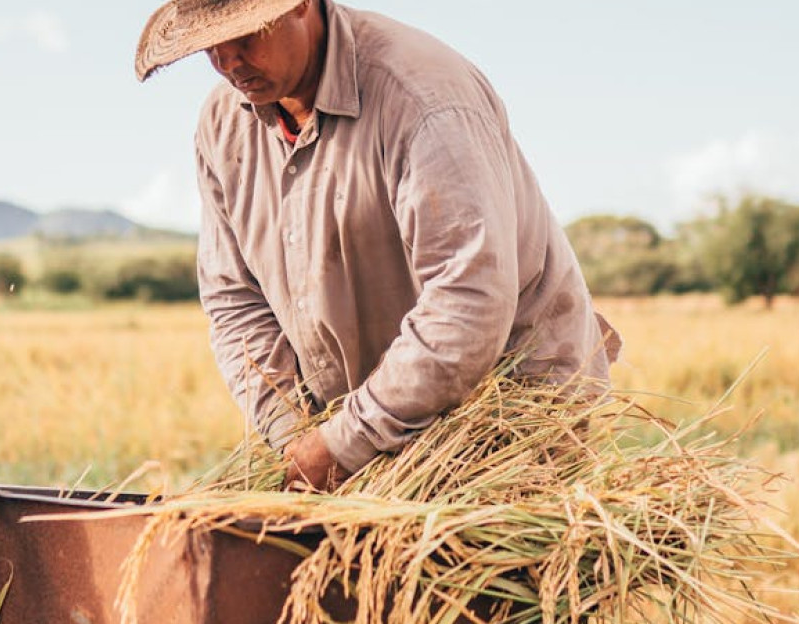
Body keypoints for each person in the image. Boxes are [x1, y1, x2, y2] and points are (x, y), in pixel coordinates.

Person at [135, 0, 620, 492]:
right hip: (360, 438)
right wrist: (296, 438)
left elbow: (468, 301)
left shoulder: (422, 97)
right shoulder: (223, 125)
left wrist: (344, 442)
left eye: (245, 37)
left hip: (503, 423)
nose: (229, 61)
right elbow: (234, 299)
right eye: (211, 46)